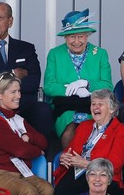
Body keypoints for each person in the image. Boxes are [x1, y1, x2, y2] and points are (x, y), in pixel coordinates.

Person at [0, 2, 54, 140]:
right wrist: (14, 73)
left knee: (43, 110)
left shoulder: (26, 48)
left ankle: (39, 157)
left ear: (10, 21)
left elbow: (33, 81)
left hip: (22, 100)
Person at [44, 8, 113, 149]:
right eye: (71, 36)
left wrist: (87, 84)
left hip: (93, 105)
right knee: (69, 129)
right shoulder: (55, 54)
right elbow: (49, 86)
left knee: (89, 128)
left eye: (80, 36)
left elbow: (108, 86)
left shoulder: (100, 54)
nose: (76, 41)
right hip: (64, 107)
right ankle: (70, 167)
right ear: (65, 37)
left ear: (87, 36)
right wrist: (71, 90)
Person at [0, 72, 54, 195]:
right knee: (27, 191)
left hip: (21, 173)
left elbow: (43, 142)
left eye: (19, 91)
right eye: (13, 92)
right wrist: (37, 151)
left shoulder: (18, 119)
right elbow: (21, 150)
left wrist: (29, 137)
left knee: (47, 189)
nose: (18, 95)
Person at [53, 89, 124, 195]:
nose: (96, 107)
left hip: (105, 176)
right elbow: (70, 151)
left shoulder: (122, 131)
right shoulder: (84, 126)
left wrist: (87, 164)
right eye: (93, 104)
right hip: (78, 173)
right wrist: (65, 157)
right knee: (61, 191)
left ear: (112, 109)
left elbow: (114, 166)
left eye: (100, 104)